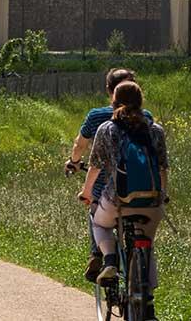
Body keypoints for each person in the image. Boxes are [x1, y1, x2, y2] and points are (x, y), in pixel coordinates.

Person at [79, 81, 168, 318]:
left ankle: (109, 260)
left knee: (99, 223)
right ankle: (147, 304)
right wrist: (161, 197)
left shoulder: (108, 129)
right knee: (146, 244)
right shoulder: (155, 129)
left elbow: (96, 167)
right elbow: (162, 168)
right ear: (141, 101)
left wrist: (87, 194)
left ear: (113, 100)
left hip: (117, 199)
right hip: (151, 202)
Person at [68, 68, 150, 282]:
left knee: (95, 211)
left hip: (109, 190)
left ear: (109, 91)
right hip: (144, 190)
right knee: (146, 242)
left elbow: (81, 145)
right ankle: (146, 300)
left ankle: (100, 254)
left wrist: (74, 162)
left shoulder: (99, 119)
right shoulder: (147, 118)